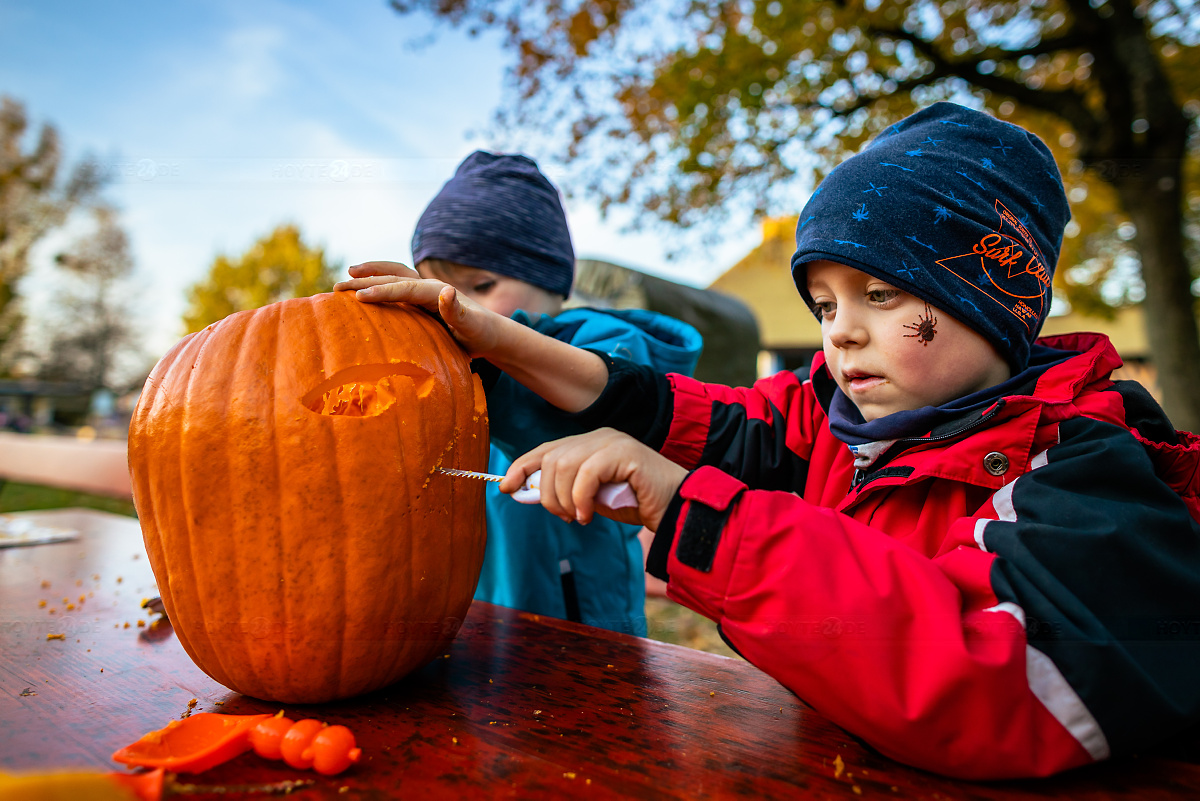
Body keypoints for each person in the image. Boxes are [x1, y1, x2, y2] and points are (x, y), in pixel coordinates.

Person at [335, 104, 1200, 780]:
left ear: (992, 296)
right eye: (825, 305)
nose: (841, 334)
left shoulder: (1086, 469)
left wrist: (694, 518)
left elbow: (1007, 685)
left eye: (882, 295)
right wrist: (497, 338)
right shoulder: (827, 419)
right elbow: (679, 411)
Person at [345, 151, 701, 636]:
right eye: (438, 288)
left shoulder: (608, 345)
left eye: (480, 286)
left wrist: (494, 352)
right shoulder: (447, 364)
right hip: (477, 609)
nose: (456, 307)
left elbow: (576, 422)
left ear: (549, 278)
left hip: (581, 627)